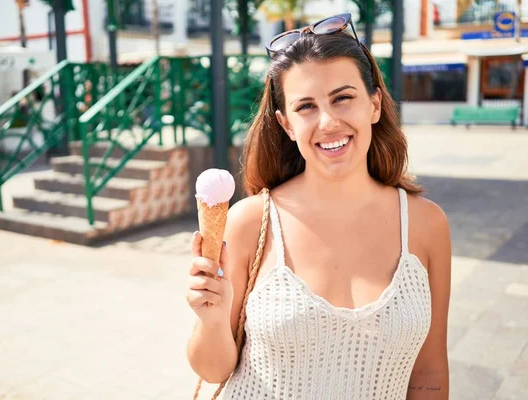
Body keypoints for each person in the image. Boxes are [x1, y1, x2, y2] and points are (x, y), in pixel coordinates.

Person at [186, 13, 451, 400]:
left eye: (343, 98)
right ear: (286, 124)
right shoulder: (249, 221)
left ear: (374, 104)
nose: (328, 121)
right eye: (306, 107)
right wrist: (210, 317)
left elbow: (430, 372)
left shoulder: (427, 225)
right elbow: (213, 370)